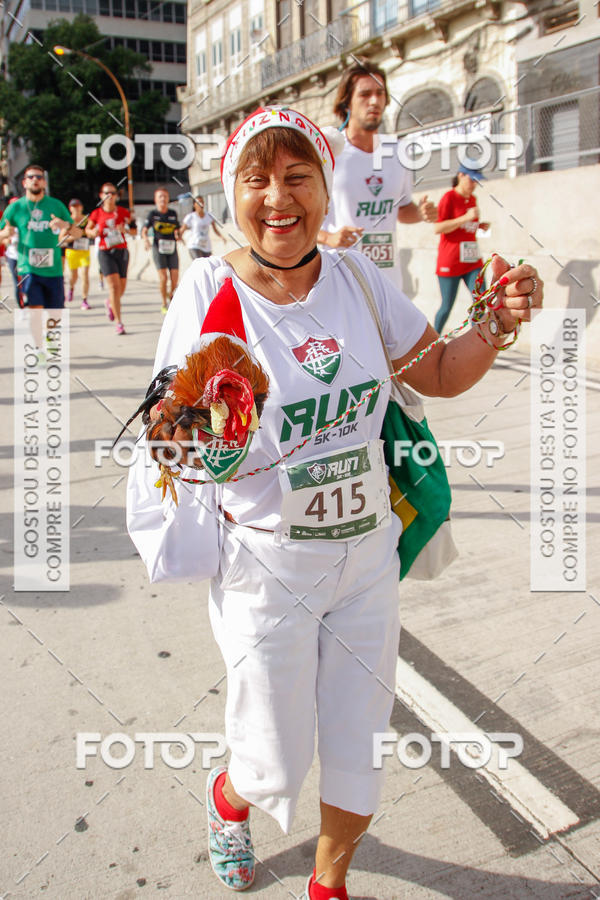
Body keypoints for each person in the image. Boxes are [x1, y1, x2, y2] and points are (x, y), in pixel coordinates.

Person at [127, 107, 543, 900]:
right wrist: (183, 430)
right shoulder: (210, 292)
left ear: (325, 190)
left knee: (357, 743)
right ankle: (229, 798)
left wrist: (493, 321)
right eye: (258, 180)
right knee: (271, 758)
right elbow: (167, 440)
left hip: (365, 561)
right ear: (231, 193)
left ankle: (329, 884)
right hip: (266, 572)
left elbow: (441, 370)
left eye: (297, 178)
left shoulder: (356, 279)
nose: (278, 199)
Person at [318, 58, 436, 289]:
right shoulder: (329, 154)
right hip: (342, 281)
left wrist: (421, 213)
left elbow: (402, 210)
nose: (374, 101)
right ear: (347, 103)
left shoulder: (397, 152)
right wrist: (328, 238)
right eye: (365, 94)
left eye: (380, 93)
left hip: (389, 283)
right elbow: (303, 217)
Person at [0, 166, 82, 357]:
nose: (35, 180)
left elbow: (78, 233)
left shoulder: (55, 205)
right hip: (28, 268)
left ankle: (51, 345)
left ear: (44, 182)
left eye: (39, 177)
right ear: (24, 182)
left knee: (55, 314)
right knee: (34, 311)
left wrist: (65, 225)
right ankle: (38, 349)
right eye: (31, 177)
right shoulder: (16, 207)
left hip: (53, 269)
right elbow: (1, 233)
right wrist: (6, 233)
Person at [433, 164, 490, 334]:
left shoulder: (473, 199)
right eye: (472, 180)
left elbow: (464, 226)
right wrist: (466, 218)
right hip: (450, 260)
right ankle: (433, 341)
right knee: (447, 305)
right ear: (460, 176)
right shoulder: (448, 198)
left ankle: (476, 339)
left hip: (472, 260)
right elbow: (438, 228)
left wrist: (479, 225)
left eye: (476, 181)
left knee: (480, 299)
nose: (474, 184)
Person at [86, 181, 131, 335]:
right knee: (113, 287)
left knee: (121, 288)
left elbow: (133, 229)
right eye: (107, 193)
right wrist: (95, 232)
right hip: (105, 252)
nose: (110, 196)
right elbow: (88, 231)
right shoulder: (97, 214)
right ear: (101, 196)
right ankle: (119, 323)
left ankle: (110, 302)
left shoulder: (123, 212)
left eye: (112, 193)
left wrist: (124, 229)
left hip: (122, 251)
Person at [142, 187, 181, 315]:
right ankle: (164, 303)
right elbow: (144, 229)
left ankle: (171, 295)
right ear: (156, 200)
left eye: (165, 196)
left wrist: (177, 235)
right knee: (163, 278)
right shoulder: (152, 214)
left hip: (172, 248)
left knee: (175, 277)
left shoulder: (173, 213)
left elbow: (177, 228)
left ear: (168, 198)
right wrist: (145, 239)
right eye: (160, 196)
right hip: (158, 248)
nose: (163, 199)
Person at [64, 198, 92, 310]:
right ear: (70, 208)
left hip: (84, 251)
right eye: (74, 206)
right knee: (73, 276)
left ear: (81, 207)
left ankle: (84, 300)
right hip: (72, 251)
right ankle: (71, 288)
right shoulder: (68, 221)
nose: (76, 208)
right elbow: (61, 238)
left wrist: (89, 233)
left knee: (85, 275)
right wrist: (73, 237)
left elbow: (91, 231)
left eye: (78, 206)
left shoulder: (86, 220)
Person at [180, 194, 224, 261]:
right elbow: (182, 230)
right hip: (194, 245)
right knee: (200, 264)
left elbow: (215, 229)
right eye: (198, 202)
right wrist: (180, 237)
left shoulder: (209, 215)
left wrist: (221, 237)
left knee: (208, 265)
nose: (201, 204)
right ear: (194, 205)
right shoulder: (191, 217)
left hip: (206, 246)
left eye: (202, 202)